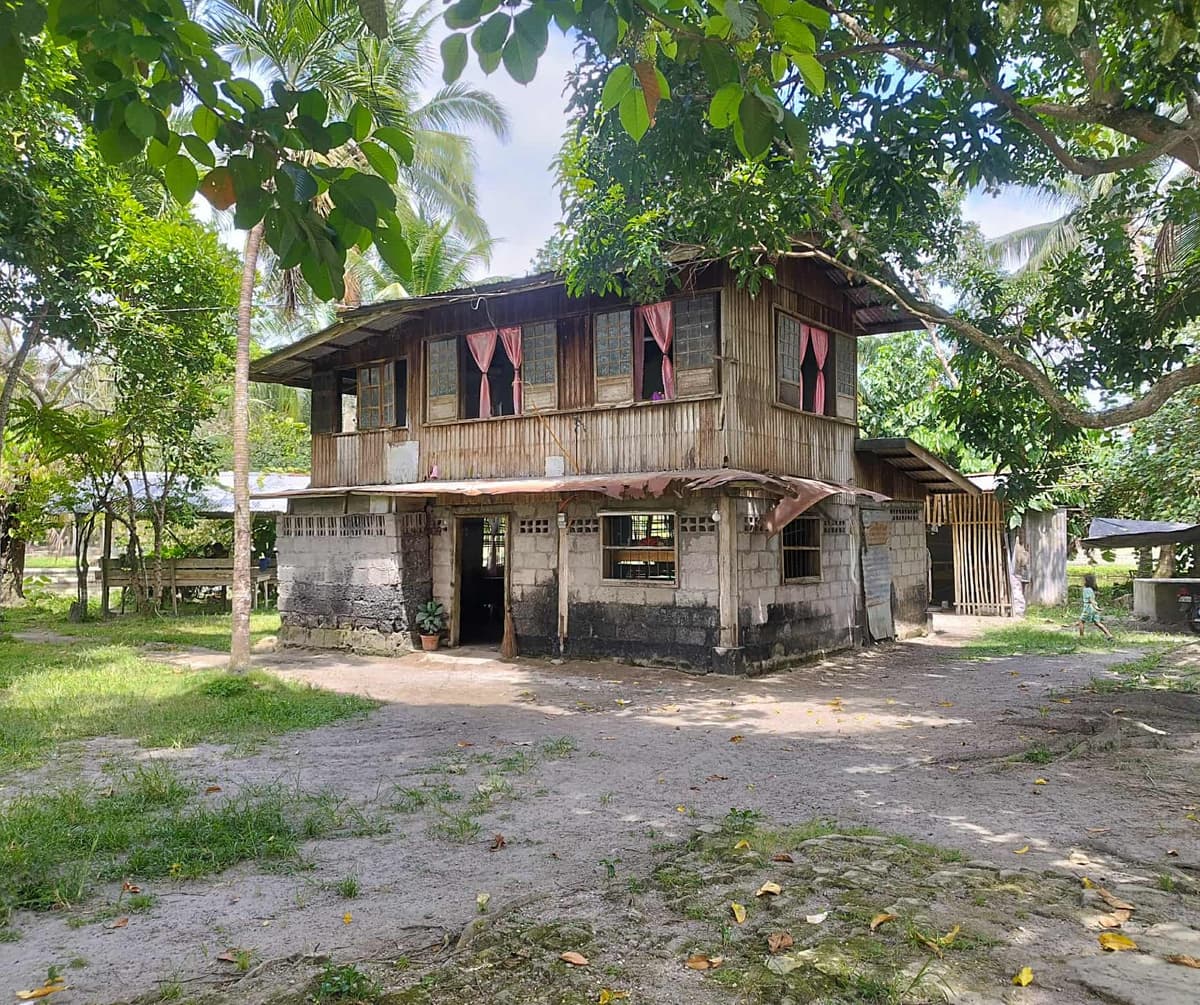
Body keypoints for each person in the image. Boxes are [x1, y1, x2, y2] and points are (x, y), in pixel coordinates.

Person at [1078, 573, 1114, 640]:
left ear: (1087, 581)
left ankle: (1081, 637)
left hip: (1089, 608)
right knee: (1097, 623)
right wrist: (1096, 608)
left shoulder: (1087, 589)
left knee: (1081, 621)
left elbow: (1091, 600)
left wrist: (1096, 607)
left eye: (1083, 580)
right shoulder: (1090, 589)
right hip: (1093, 608)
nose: (1082, 581)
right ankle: (1109, 635)